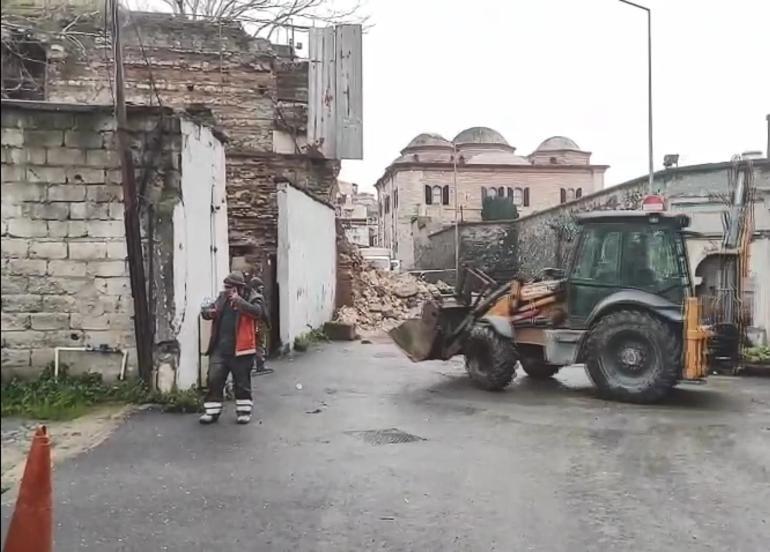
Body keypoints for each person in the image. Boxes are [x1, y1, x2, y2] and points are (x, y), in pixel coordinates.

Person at [200, 271, 265, 425]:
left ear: (239, 287)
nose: (227, 290)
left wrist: (239, 301)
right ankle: (211, 412)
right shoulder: (222, 297)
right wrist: (208, 313)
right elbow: (209, 312)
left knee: (242, 382)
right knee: (214, 379)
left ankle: (244, 412)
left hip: (242, 348)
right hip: (220, 347)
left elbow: (258, 312)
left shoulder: (253, 297)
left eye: (230, 287)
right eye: (226, 287)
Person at [247, 276, 273, 375]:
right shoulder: (258, 298)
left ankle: (254, 365)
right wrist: (268, 324)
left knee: (255, 344)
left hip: (252, 325)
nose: (262, 290)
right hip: (260, 324)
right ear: (256, 287)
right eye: (260, 287)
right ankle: (260, 365)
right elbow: (264, 313)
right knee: (260, 344)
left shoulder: (249, 296)